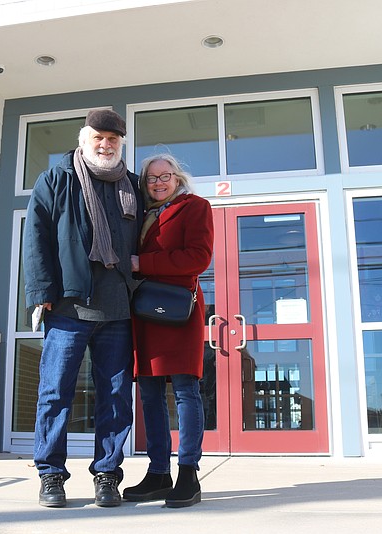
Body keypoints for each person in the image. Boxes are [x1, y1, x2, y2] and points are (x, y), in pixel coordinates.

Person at [23, 109, 143, 508]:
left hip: (119, 309)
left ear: (120, 144)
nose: (106, 145)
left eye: (113, 139)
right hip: (68, 307)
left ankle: (107, 475)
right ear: (84, 139)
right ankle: (51, 475)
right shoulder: (57, 179)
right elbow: (36, 235)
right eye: (99, 137)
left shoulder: (134, 185)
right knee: (56, 392)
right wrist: (41, 289)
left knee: (115, 396)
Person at [123, 153, 214, 508]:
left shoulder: (195, 207)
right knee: (148, 393)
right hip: (145, 310)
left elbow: (198, 257)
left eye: (165, 176)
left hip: (179, 310)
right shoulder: (139, 215)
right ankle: (158, 472)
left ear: (178, 177)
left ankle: (188, 475)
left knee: (185, 391)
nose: (158, 183)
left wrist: (142, 263)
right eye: (150, 179)